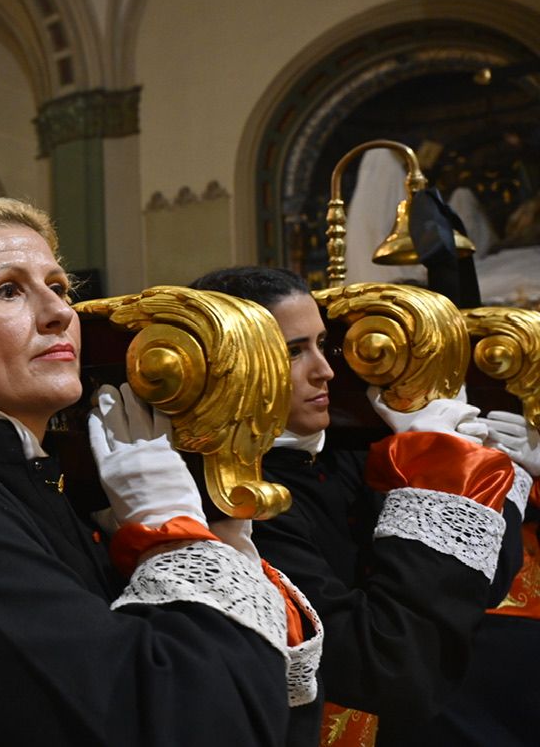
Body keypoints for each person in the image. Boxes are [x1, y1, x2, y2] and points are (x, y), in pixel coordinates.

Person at [0, 198, 316, 746]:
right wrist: (171, 532)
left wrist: (215, 540)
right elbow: (167, 718)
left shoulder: (36, 481)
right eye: (8, 290)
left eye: (59, 286)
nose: (58, 312)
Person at [191, 265, 519, 745]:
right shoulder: (239, 496)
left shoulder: (346, 451)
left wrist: (472, 467)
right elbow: (385, 663)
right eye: (292, 351)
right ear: (232, 365)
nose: (325, 370)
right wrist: (439, 479)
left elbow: (485, 586)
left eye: (322, 345)